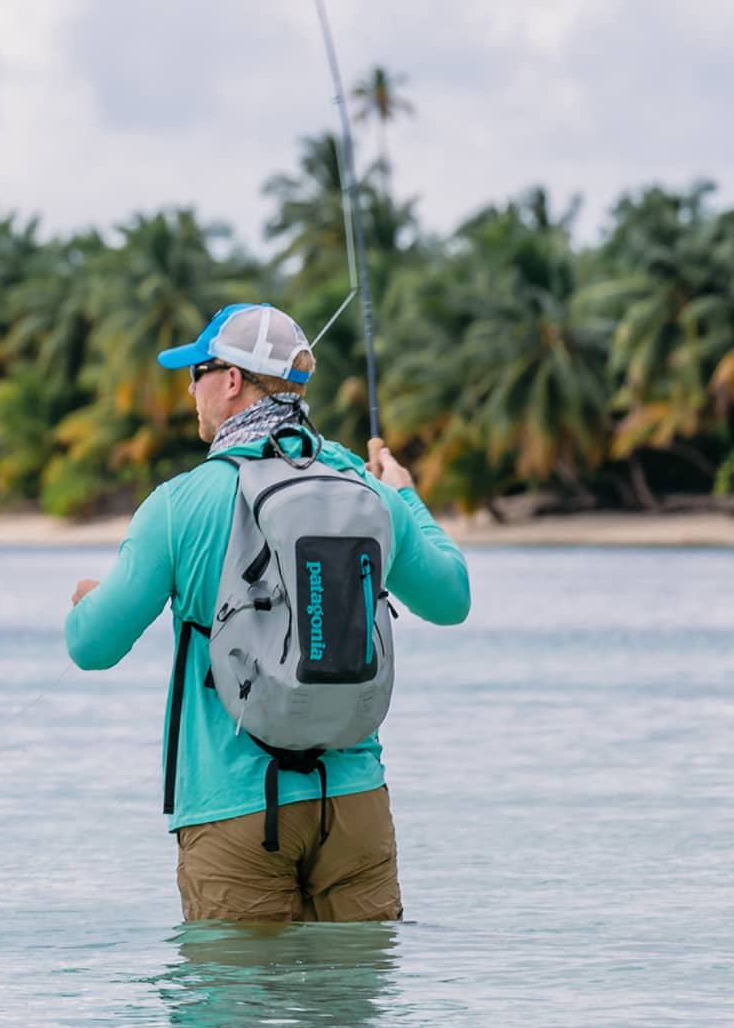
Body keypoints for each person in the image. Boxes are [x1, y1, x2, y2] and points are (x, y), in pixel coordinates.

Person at [64, 303, 470, 923]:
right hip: (354, 802)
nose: (190, 390)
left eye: (197, 372)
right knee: (351, 1018)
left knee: (234, 1015)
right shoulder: (366, 490)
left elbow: (92, 648)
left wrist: (86, 601)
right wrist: (406, 494)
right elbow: (451, 598)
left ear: (231, 381)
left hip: (232, 811)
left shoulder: (180, 503)